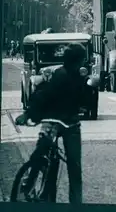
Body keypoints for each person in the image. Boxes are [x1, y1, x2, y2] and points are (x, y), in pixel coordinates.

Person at [15, 43, 88, 203]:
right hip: (70, 125)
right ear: (78, 61)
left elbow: (42, 96)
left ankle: (29, 184)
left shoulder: (57, 74)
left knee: (41, 153)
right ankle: (76, 203)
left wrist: (28, 114)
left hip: (52, 122)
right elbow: (83, 102)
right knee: (74, 167)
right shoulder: (76, 77)